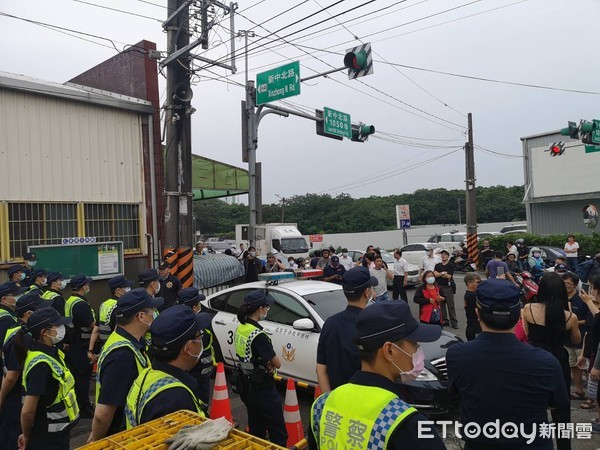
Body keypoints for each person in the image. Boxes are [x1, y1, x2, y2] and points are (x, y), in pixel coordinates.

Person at [446, 279, 570, 449]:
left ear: (477, 313)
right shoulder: (546, 362)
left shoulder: (457, 355)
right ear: (519, 314)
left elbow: (455, 394)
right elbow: (558, 403)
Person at [311, 301, 445, 450]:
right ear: (389, 351)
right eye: (414, 344)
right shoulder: (407, 424)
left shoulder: (321, 406)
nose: (418, 351)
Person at [88, 288, 163, 441]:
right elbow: (103, 414)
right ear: (141, 316)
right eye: (152, 310)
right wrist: (94, 441)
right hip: (122, 436)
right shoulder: (122, 356)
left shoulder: (124, 339)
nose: (155, 314)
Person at [522, 272, 580, 450]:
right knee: (562, 409)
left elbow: (526, 333)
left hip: (533, 358)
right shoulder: (569, 317)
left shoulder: (528, 309)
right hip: (558, 359)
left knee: (530, 405)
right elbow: (576, 340)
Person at [124, 305, 206, 428]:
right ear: (188, 348)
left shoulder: (148, 375)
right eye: (200, 336)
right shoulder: (175, 400)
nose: (202, 340)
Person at [17, 307, 78, 450]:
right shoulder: (41, 365)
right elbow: (27, 411)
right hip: (48, 437)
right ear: (44, 332)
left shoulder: (48, 352)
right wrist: (26, 435)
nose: (62, 328)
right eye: (58, 326)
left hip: (57, 432)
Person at [234, 291, 287, 446]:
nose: (267, 310)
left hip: (246, 385)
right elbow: (277, 363)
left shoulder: (241, 328)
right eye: (266, 307)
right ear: (260, 309)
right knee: (278, 432)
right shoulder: (258, 335)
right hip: (262, 388)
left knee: (256, 429)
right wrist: (269, 364)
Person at [316, 267, 377, 392]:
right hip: (365, 400)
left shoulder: (330, 323)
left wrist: (329, 399)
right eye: (371, 288)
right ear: (367, 293)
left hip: (337, 398)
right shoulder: (372, 325)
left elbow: (320, 369)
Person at [0, 292, 43, 450]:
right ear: (28, 314)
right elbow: (12, 376)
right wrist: (1, 397)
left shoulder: (16, 329)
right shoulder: (23, 336)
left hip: (15, 396)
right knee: (14, 440)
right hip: (16, 398)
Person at [64, 273, 99, 417]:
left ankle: (80, 405)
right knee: (83, 379)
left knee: (77, 378)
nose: (88, 286)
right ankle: (84, 408)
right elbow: (93, 326)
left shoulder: (70, 300)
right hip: (81, 346)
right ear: (82, 287)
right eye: (87, 284)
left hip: (73, 345)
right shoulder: (80, 304)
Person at [177, 288, 215, 405]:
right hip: (199, 373)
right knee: (200, 404)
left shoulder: (177, 324)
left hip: (185, 374)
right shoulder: (199, 328)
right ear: (194, 307)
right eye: (198, 303)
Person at [562, 272, 587, 400]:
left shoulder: (582, 299)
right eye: (564, 283)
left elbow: (590, 319)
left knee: (586, 366)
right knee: (573, 365)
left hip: (581, 338)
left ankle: (592, 396)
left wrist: (574, 322)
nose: (566, 286)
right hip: (566, 339)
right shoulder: (560, 299)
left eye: (568, 283)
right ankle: (579, 390)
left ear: (575, 285)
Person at [98, 275, 135, 347]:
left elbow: (96, 328)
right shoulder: (121, 307)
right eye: (126, 287)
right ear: (118, 290)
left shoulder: (104, 304)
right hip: (116, 345)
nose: (129, 289)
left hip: (104, 345)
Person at [434, 249, 458, 329]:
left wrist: (440, 274)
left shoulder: (451, 264)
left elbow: (449, 276)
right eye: (442, 254)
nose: (443, 256)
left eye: (445, 254)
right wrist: (443, 273)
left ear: (448, 256)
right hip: (439, 286)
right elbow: (435, 274)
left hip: (448, 287)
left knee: (450, 305)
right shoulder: (438, 265)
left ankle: (454, 321)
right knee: (441, 304)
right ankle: (445, 320)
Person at [463, 272, 482, 341]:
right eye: (477, 282)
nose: (480, 284)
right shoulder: (471, 296)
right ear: (469, 283)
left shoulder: (474, 294)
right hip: (475, 330)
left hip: (476, 328)